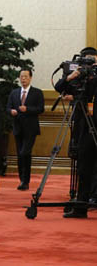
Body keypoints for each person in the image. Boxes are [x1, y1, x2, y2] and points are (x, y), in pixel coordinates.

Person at [55, 46, 97, 218]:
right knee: (83, 168)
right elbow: (60, 88)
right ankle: (81, 207)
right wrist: (71, 76)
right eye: (85, 60)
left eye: (92, 61)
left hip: (95, 124)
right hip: (84, 127)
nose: (89, 64)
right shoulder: (79, 77)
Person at [6, 69, 44, 190]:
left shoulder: (37, 93)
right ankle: (22, 179)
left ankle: (25, 180)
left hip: (31, 128)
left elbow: (40, 109)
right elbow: (8, 107)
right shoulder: (14, 93)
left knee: (25, 153)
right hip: (18, 127)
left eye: (26, 77)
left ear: (30, 78)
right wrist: (11, 111)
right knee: (20, 155)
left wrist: (27, 109)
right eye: (21, 77)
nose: (23, 79)